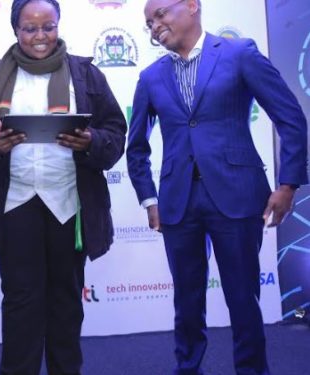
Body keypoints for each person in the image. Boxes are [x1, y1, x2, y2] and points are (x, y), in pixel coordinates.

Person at [126, 0, 308, 374]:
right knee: (187, 304)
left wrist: (287, 184)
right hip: (177, 204)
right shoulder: (150, 77)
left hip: (238, 196)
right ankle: (188, 369)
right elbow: (136, 148)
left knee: (243, 300)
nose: (155, 26)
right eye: (148, 23)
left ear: (192, 6)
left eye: (160, 14)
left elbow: (290, 118)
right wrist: (149, 199)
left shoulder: (240, 54)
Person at [0, 1, 126, 374]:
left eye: (47, 27)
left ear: (59, 25)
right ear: (15, 29)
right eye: (29, 29)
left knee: (67, 301)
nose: (40, 37)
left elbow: (116, 135)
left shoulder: (86, 74)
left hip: (69, 204)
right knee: (21, 302)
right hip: (15, 205)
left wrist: (90, 142)